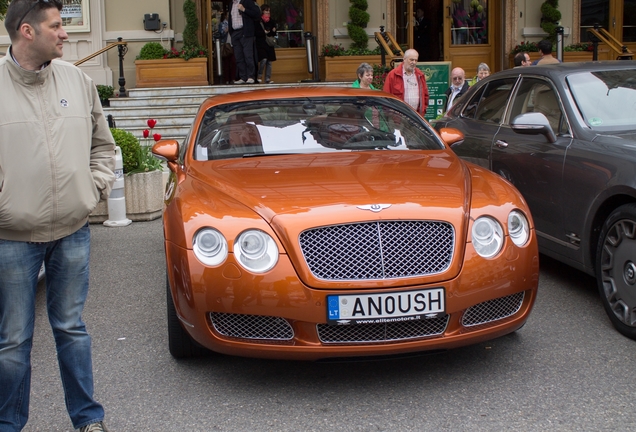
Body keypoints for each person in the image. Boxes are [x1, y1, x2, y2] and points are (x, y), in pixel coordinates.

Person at [0, 1, 116, 431]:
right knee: (12, 342)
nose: (65, 33)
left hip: (72, 231)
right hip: (10, 237)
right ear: (27, 32)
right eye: (57, 26)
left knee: (71, 329)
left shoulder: (77, 80)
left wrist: (91, 188)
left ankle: (87, 420)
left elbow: (103, 147)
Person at [382, 49, 430, 117]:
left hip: (416, 118)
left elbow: (425, 95)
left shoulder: (420, 75)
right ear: (404, 59)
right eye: (411, 60)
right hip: (398, 119)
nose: (413, 62)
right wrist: (390, 115)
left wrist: (423, 111)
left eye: (416, 60)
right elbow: (386, 97)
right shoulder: (393, 75)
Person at [229, 0, 261, 84]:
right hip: (235, 33)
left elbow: (257, 14)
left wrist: (244, 10)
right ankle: (243, 77)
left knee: (248, 55)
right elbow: (230, 18)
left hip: (245, 32)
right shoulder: (231, 4)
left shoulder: (247, 1)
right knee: (239, 56)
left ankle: (251, 76)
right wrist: (231, 32)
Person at [255, 4, 277, 84]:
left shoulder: (272, 21)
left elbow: (274, 33)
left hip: (269, 43)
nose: (268, 12)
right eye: (266, 10)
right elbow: (256, 32)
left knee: (269, 62)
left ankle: (267, 79)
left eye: (269, 11)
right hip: (261, 43)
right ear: (262, 11)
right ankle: (259, 75)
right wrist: (263, 32)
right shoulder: (258, 21)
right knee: (263, 59)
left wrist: (273, 30)